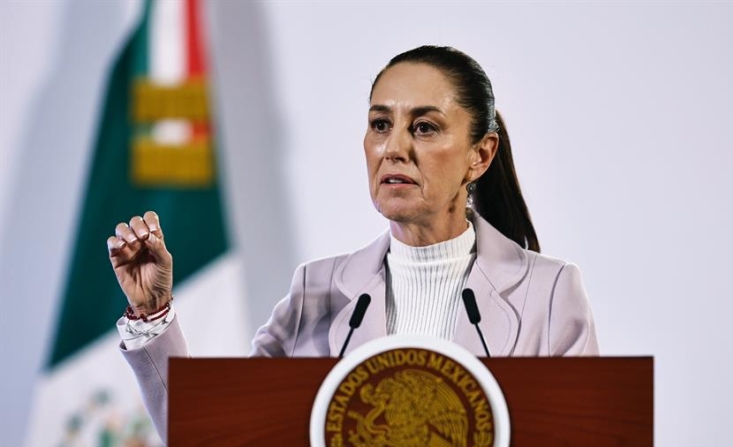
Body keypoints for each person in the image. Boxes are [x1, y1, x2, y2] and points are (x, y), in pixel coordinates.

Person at [107, 45, 599, 441]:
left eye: (424, 128)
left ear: (480, 155)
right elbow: (212, 434)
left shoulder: (548, 293)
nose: (394, 149)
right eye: (380, 125)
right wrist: (153, 315)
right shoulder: (316, 292)